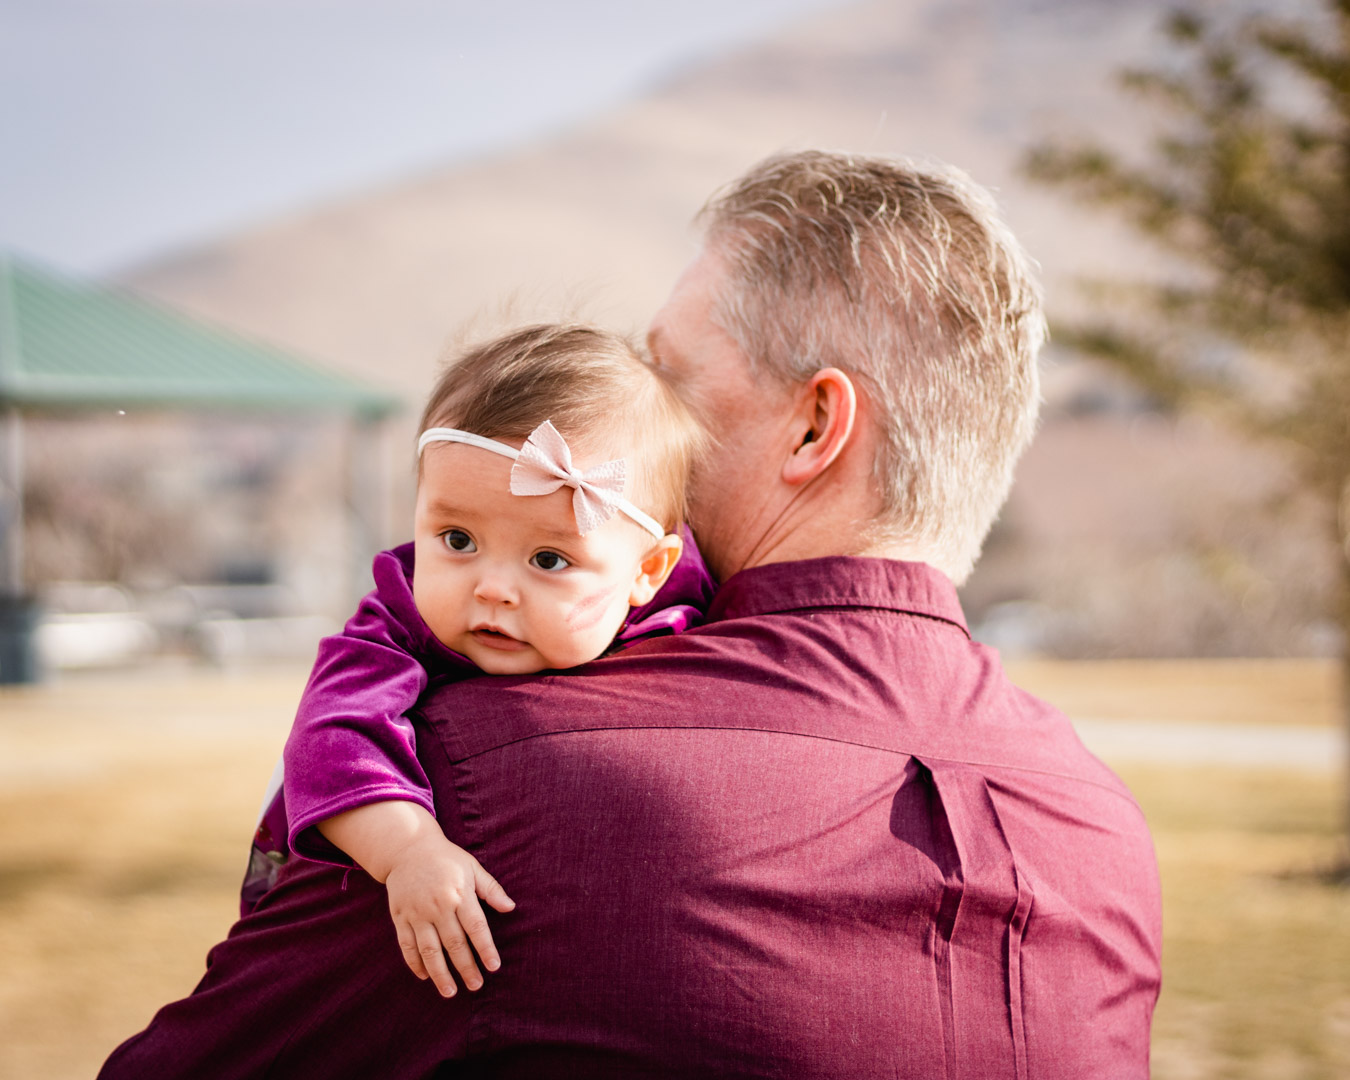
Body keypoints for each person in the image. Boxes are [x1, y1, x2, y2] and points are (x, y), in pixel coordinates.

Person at [100, 150, 1162, 1080]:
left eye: (664, 374)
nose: (610, 416)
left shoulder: (484, 783)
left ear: (812, 429)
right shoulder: (1105, 830)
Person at [244, 323, 713, 999]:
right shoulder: (394, 624)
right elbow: (333, 738)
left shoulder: (694, 615)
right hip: (349, 913)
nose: (492, 587)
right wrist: (408, 851)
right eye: (457, 539)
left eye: (548, 559)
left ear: (648, 572)